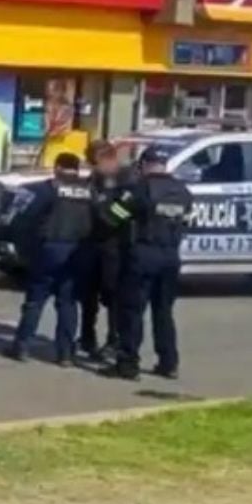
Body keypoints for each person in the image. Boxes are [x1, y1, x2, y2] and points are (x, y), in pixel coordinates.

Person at [103, 146, 193, 381]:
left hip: (142, 255)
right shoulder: (182, 191)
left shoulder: (139, 189)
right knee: (164, 312)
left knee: (132, 312)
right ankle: (169, 363)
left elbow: (113, 217)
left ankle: (128, 365)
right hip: (170, 257)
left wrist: (109, 202)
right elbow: (186, 220)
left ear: (144, 165)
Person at [6, 152, 94, 366]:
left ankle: (21, 346)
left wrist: (25, 250)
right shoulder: (89, 191)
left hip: (48, 249)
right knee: (68, 303)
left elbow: (25, 219)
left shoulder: (47, 189)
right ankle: (65, 354)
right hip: (77, 251)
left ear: (57, 168)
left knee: (35, 300)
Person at [78, 141, 132, 362]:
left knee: (113, 295)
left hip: (115, 245)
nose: (93, 168)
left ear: (107, 159)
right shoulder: (94, 179)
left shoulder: (127, 179)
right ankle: (87, 337)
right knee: (88, 295)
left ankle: (114, 340)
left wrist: (105, 215)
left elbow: (125, 210)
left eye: (95, 163)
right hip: (92, 243)